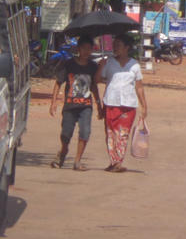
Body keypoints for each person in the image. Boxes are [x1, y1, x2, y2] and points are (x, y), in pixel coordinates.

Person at [96, 34, 148, 173]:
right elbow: (97, 80)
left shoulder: (134, 65)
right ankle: (113, 161)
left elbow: (139, 86)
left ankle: (118, 162)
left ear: (127, 48)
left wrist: (144, 106)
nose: (115, 48)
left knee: (123, 134)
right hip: (111, 103)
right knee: (110, 134)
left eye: (118, 45)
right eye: (114, 45)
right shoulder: (108, 63)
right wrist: (100, 67)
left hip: (128, 105)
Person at [49, 36, 100, 171]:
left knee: (85, 132)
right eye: (84, 48)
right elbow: (58, 83)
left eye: (90, 49)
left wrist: (99, 104)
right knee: (66, 134)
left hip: (86, 106)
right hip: (70, 105)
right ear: (78, 49)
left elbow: (94, 86)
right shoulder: (69, 64)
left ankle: (77, 161)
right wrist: (53, 102)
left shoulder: (93, 67)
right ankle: (63, 151)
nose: (87, 52)